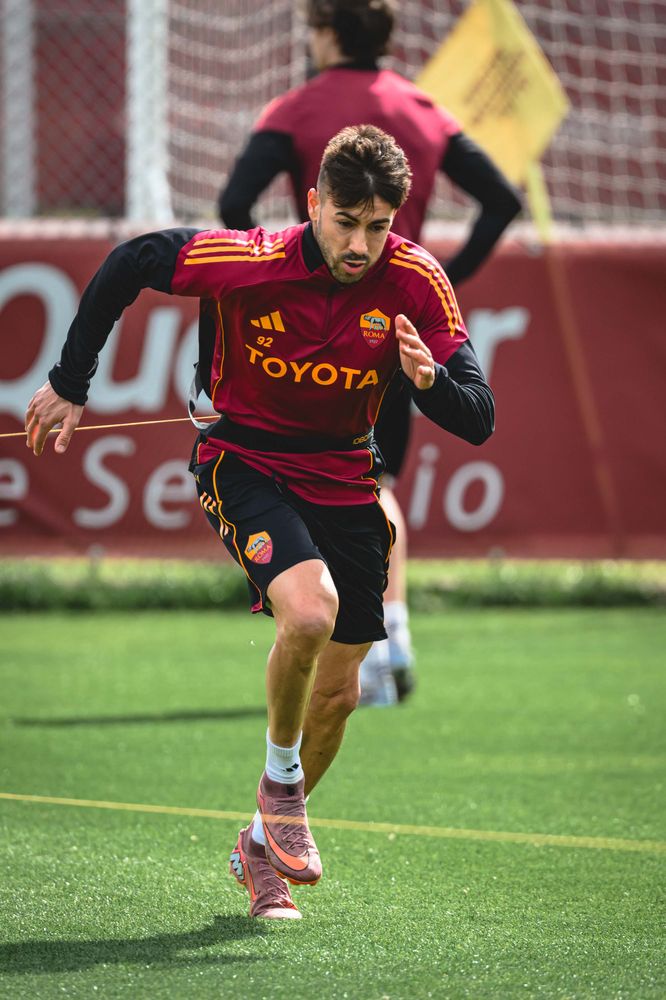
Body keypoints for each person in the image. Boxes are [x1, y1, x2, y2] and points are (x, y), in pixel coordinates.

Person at [25, 124, 494, 920]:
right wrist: (71, 379)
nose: (359, 243)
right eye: (345, 221)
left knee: (341, 695)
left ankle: (256, 845)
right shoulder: (251, 258)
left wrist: (430, 382)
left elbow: (478, 416)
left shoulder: (418, 280)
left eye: (378, 227)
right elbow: (133, 261)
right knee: (310, 612)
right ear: (313, 203)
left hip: (345, 476)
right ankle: (280, 788)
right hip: (243, 462)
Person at [219, 0, 521, 705]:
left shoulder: (295, 109)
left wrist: (280, 280)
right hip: (393, 327)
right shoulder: (420, 108)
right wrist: (444, 279)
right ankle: (393, 644)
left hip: (311, 329)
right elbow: (499, 199)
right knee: (373, 483)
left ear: (325, 34)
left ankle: (356, 645)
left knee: (311, 483)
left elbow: (235, 204)